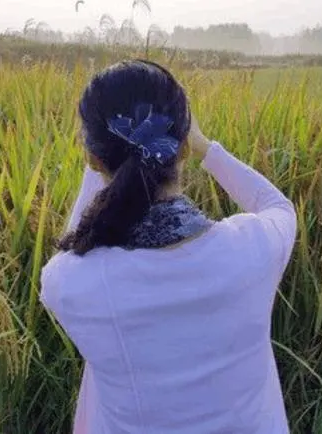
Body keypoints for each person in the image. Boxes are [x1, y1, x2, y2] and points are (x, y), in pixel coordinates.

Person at [40, 60, 297, 434]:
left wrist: (99, 165)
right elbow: (278, 207)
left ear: (93, 157)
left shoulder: (73, 284)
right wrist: (208, 149)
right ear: (182, 148)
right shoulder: (253, 250)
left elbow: (72, 249)